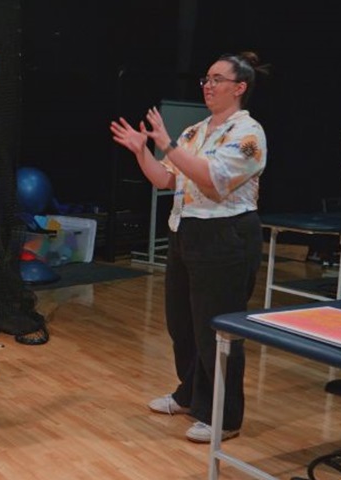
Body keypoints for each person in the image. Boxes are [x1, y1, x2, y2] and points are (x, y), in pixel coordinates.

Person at [109, 52, 269, 443]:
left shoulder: (248, 134)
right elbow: (166, 180)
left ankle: (223, 416)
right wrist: (142, 151)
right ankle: (189, 395)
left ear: (240, 87)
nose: (208, 86)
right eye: (206, 79)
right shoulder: (196, 132)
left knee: (217, 330)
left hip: (225, 237)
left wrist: (166, 142)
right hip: (187, 233)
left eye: (217, 79)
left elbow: (212, 180)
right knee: (182, 324)